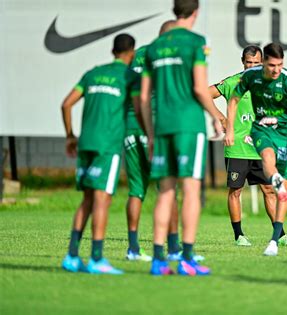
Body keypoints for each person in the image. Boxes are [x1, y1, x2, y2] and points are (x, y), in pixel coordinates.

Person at [140, 0, 224, 276]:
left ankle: (157, 260)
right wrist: (216, 115)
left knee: (165, 192)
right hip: (189, 125)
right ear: (196, 12)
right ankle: (187, 258)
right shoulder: (196, 42)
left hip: (162, 125)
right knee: (190, 191)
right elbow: (200, 88)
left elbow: (143, 97)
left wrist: (150, 133)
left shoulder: (155, 46)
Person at [224, 43, 287, 256]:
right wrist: (229, 128)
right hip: (260, 130)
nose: (276, 69)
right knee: (267, 157)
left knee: (281, 193)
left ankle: (276, 239)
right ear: (263, 63)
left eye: (280, 65)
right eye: (271, 65)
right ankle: (274, 176)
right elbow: (233, 100)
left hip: (285, 134)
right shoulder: (251, 76)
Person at [60, 34, 139, 274]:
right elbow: (139, 108)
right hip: (108, 146)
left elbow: (66, 104)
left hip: (85, 142)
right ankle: (96, 258)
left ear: (113, 50)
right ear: (131, 52)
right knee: (102, 200)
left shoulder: (93, 73)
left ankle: (72, 256)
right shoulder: (129, 77)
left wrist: (70, 136)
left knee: (87, 200)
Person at [209, 45, 287, 247]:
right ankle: (239, 235)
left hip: (261, 146)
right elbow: (205, 93)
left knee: (269, 189)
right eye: (248, 63)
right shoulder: (233, 82)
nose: (251, 66)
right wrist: (221, 118)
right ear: (242, 62)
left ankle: (280, 234)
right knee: (235, 191)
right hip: (237, 147)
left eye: (256, 63)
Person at [124, 20, 181, 262]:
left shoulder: (136, 55)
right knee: (167, 189)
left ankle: (133, 248)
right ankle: (174, 249)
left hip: (128, 126)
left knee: (136, 190)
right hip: (154, 127)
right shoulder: (166, 57)